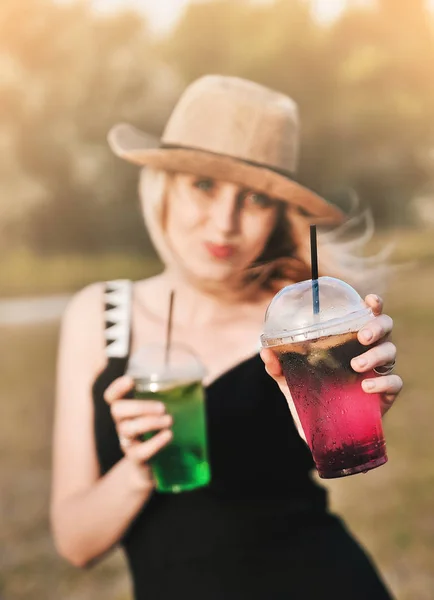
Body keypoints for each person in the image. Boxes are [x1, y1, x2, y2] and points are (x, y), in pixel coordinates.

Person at [51, 75, 402, 599]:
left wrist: (354, 401)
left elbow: (340, 448)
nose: (225, 223)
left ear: (278, 216)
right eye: (205, 185)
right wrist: (141, 469)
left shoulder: (299, 324)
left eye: (256, 198)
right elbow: (77, 544)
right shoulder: (98, 315)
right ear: (163, 184)